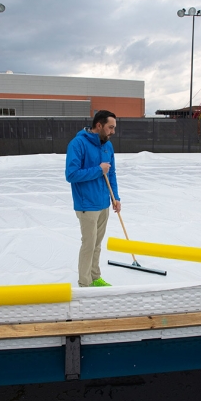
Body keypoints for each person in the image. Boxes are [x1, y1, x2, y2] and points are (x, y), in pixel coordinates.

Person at [66, 110, 121, 287]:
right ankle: (85, 283)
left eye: (114, 127)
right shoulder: (78, 144)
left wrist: (116, 197)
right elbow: (71, 174)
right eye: (110, 127)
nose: (113, 131)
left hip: (104, 203)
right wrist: (98, 169)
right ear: (99, 125)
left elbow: (111, 173)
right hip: (87, 205)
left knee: (97, 245)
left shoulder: (107, 145)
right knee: (88, 245)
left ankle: (95, 277)